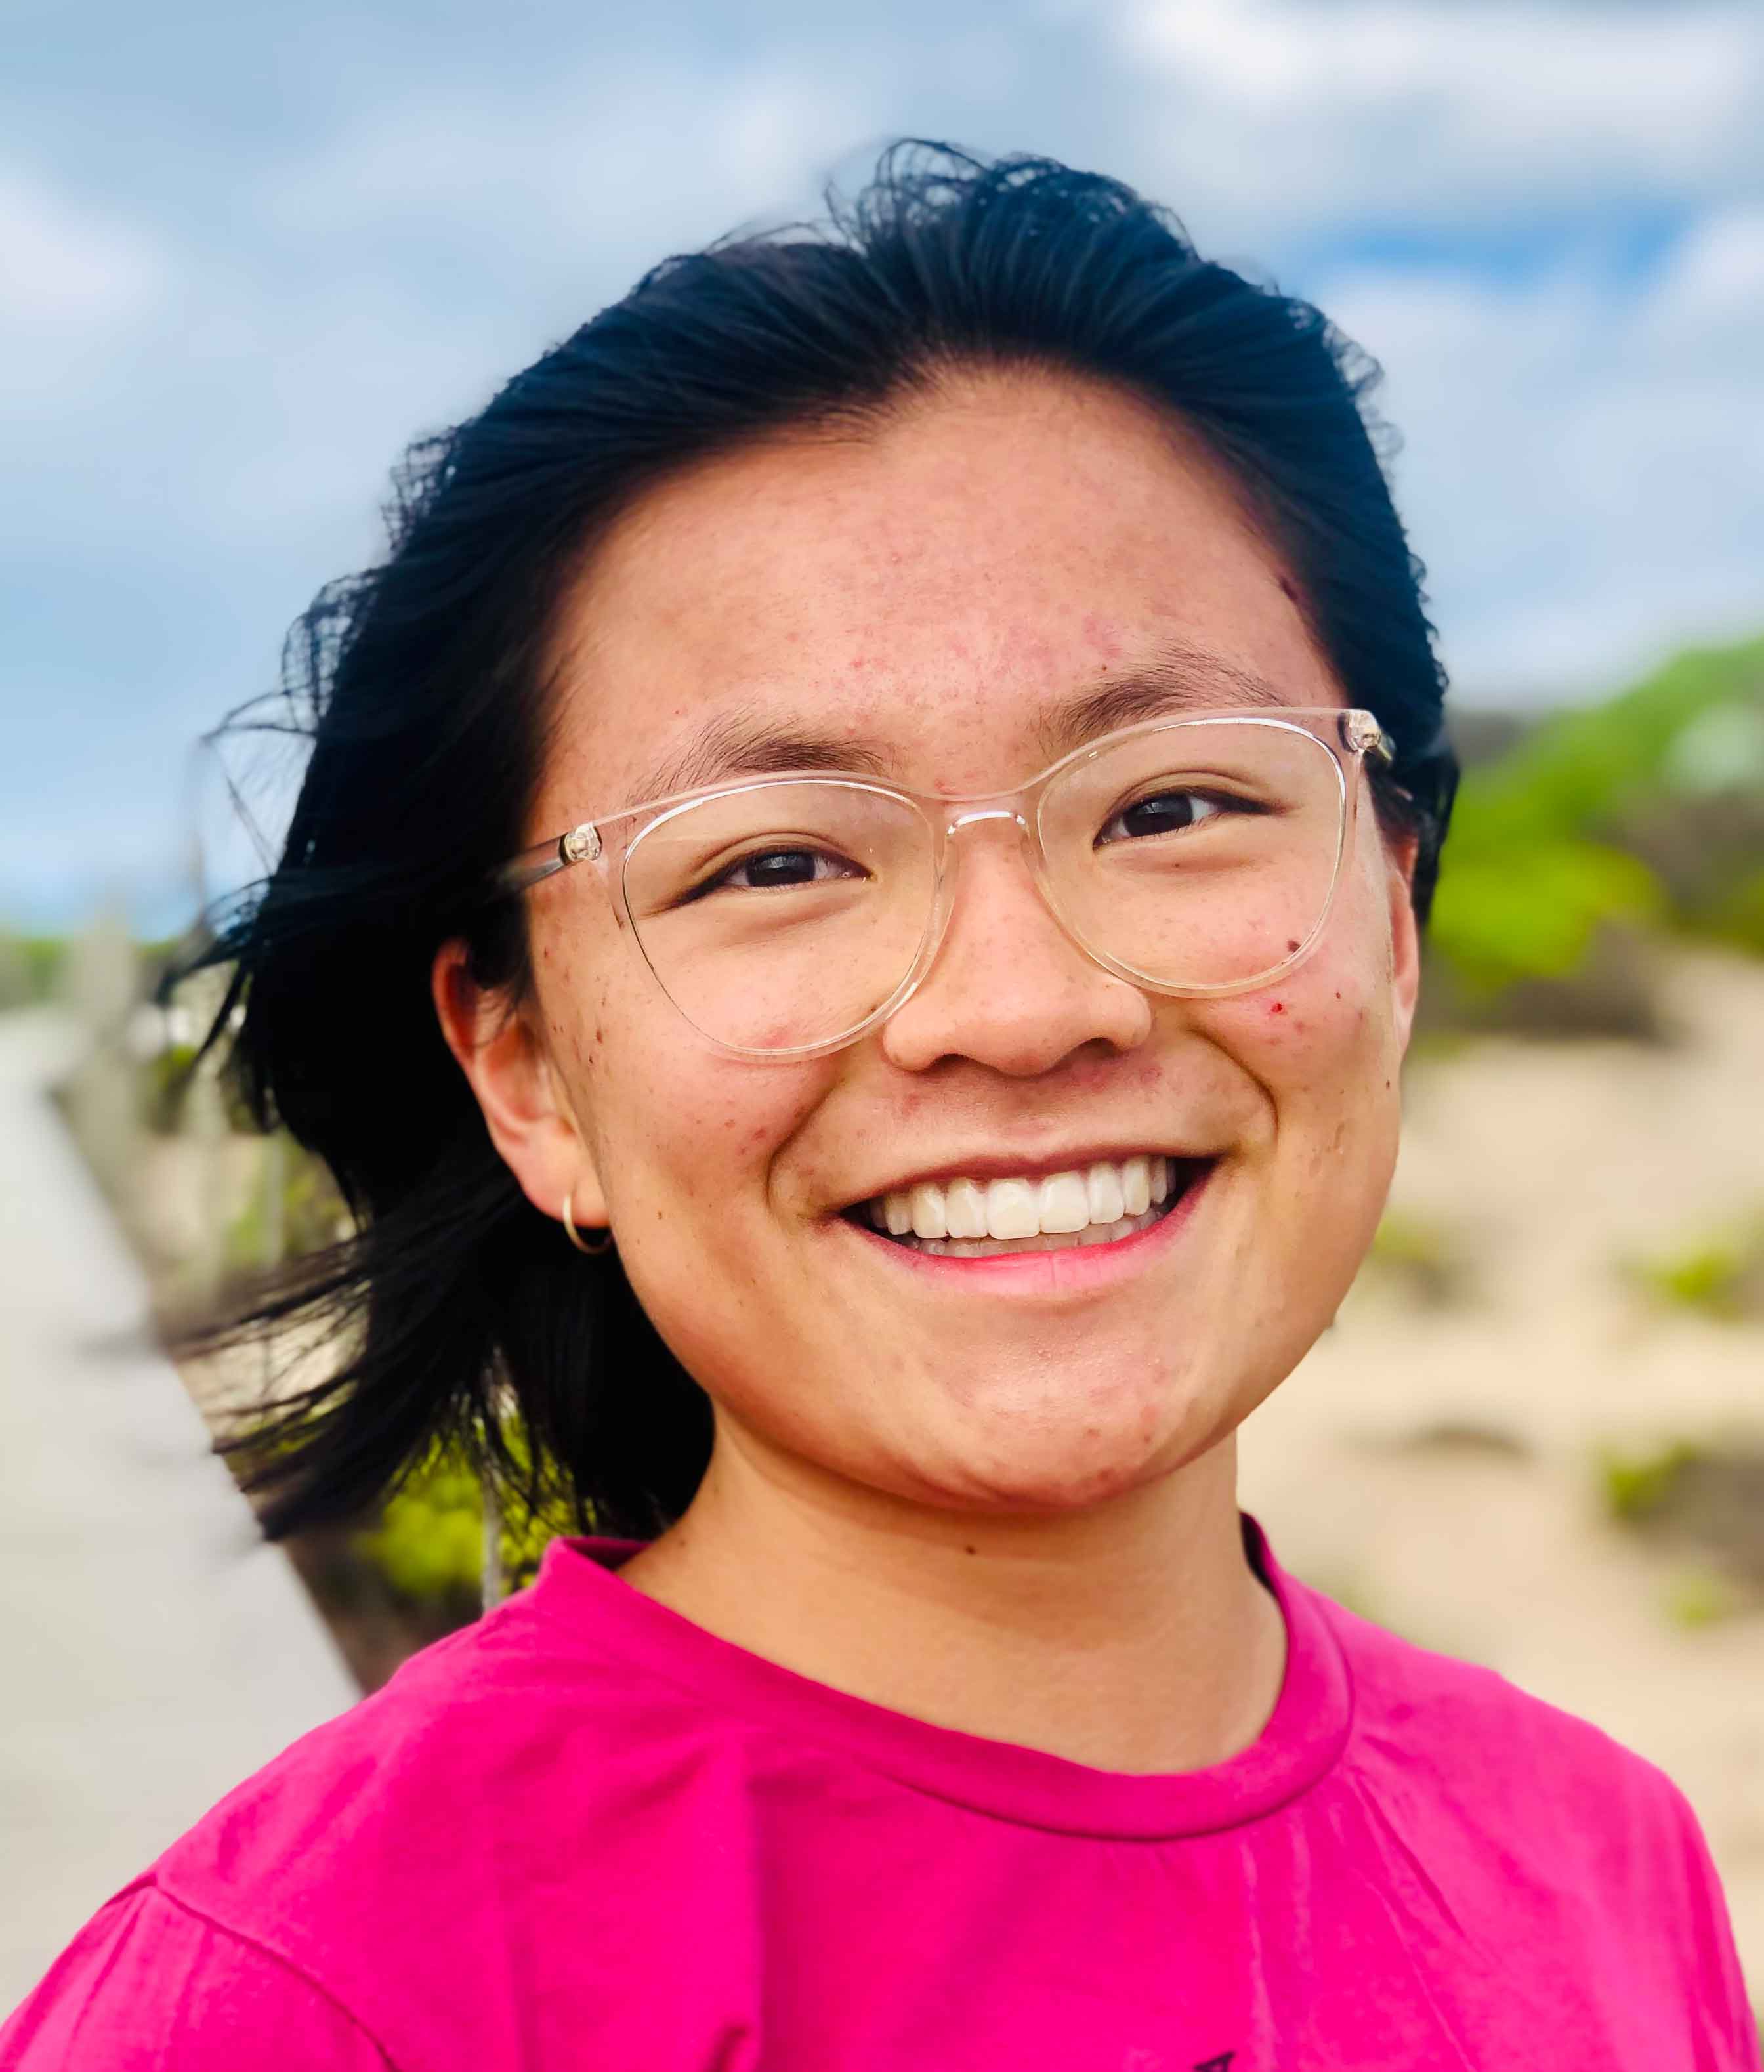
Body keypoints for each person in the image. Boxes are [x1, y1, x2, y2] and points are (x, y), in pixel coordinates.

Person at [2, 142, 1755, 2071]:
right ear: (525, 1072)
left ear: (1395, 919)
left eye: (1173, 804)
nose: (1019, 1007)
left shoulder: (1602, 1863)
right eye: (773, 863)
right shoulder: (309, 2003)